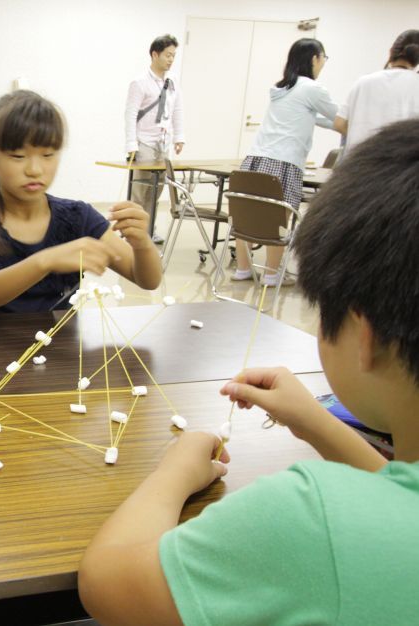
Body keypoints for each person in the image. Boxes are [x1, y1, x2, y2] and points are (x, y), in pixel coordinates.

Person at [78, 118, 419, 625]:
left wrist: (174, 472)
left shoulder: (313, 519)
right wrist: (317, 423)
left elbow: (107, 581)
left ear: (361, 334)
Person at [0, 91, 162, 315]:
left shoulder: (77, 217)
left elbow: (147, 280)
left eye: (48, 155)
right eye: (18, 156)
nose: (35, 169)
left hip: (57, 346)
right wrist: (47, 260)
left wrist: (142, 244)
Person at [233, 38, 338, 287]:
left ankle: (243, 269)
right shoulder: (312, 88)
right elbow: (340, 117)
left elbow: (311, 117)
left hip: (255, 159)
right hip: (284, 163)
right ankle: (271, 275)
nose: (323, 63)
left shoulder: (283, 87)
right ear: (315, 58)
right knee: (278, 218)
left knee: (246, 214)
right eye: (324, 58)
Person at [124, 34, 185, 243]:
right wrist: (131, 145)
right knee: (140, 191)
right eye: (167, 55)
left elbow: (176, 109)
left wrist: (180, 136)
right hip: (144, 143)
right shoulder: (139, 83)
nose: (170, 60)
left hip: (163, 144)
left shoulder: (173, 81)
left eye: (173, 56)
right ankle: (133, 232)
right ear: (154, 54)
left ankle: (149, 229)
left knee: (157, 191)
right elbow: (130, 114)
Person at [334, 29, 419, 154]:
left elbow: (339, 123)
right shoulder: (415, 84)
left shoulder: (362, 82)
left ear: (392, 52)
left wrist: (363, 139)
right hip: (396, 164)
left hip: (357, 162)